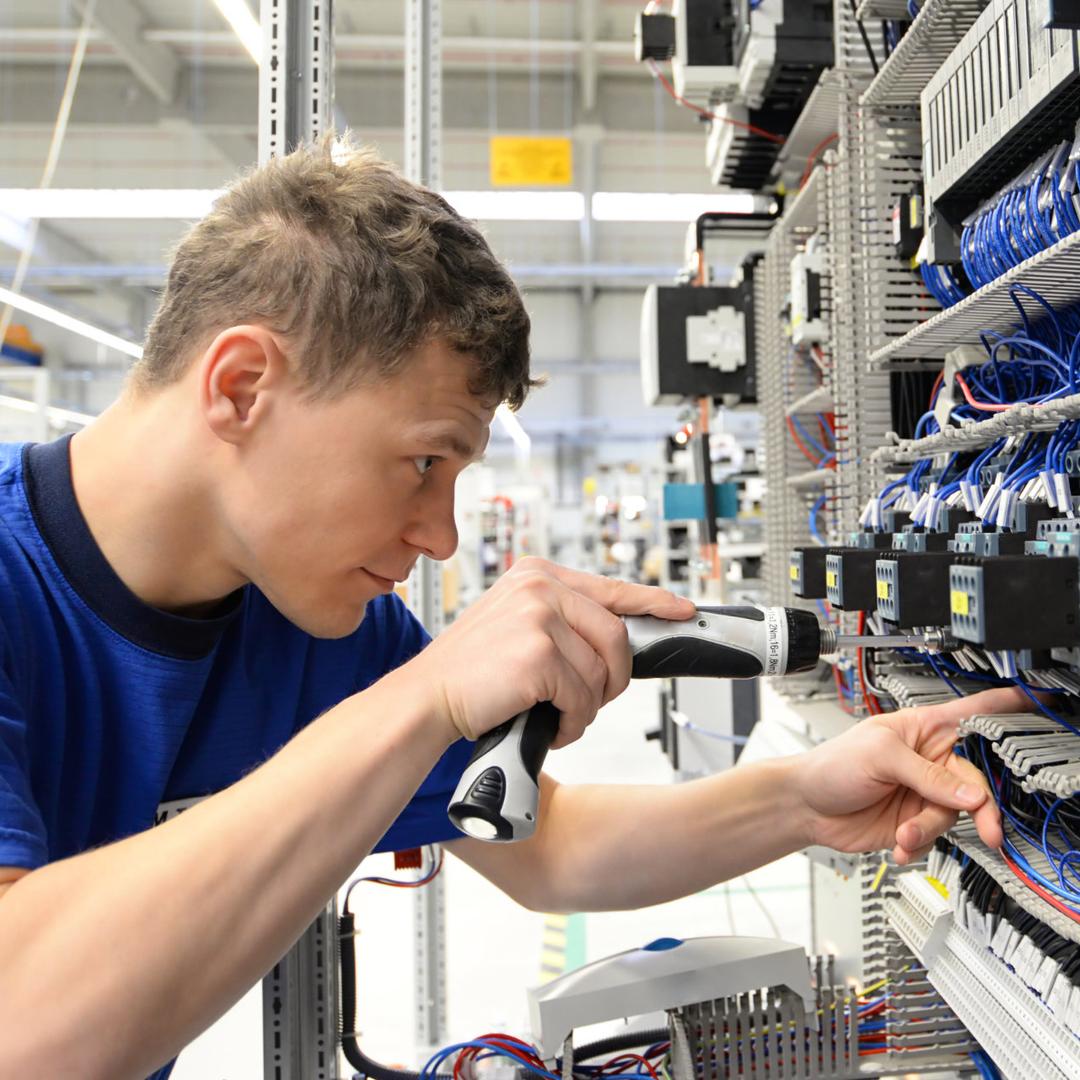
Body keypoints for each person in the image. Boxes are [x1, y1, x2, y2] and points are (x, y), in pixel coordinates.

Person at [0, 136, 1023, 1080]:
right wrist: (421, 702)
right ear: (240, 386)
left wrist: (808, 797)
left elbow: (550, 849)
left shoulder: (309, 625)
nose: (440, 536)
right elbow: (22, 1024)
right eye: (422, 461)